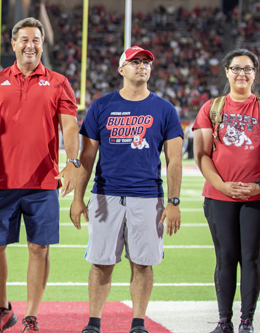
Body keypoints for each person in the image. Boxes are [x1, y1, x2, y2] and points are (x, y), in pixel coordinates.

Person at [0, 18, 79, 333]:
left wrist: (72, 162)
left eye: (36, 39)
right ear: (14, 43)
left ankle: (31, 315)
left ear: (42, 44)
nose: (30, 45)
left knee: (38, 249)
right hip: (1, 181)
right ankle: (3, 308)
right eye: (24, 39)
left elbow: (70, 126)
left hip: (42, 182)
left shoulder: (58, 82)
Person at [70, 46, 183, 333]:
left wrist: (174, 201)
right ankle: (94, 322)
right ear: (121, 69)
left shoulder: (164, 109)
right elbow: (87, 157)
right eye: (135, 62)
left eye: (146, 62)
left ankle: (138, 323)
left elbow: (174, 160)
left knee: (143, 264)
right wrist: (78, 199)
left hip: (148, 197)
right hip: (106, 195)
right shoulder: (101, 105)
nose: (141, 66)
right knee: (100, 262)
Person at [192, 49, 260, 333]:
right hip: (219, 196)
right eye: (236, 69)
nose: (242, 74)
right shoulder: (211, 107)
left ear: (255, 73)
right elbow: (201, 153)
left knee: (250, 258)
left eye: (247, 69)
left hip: (259, 197)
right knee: (225, 258)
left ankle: (247, 321)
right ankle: (225, 322)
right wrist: (222, 185)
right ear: (227, 72)